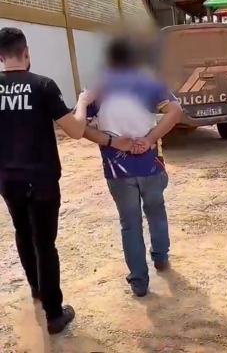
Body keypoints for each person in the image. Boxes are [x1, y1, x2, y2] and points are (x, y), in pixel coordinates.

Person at [0, 27, 93, 334]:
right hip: (41, 180)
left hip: (8, 179)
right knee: (44, 243)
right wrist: (83, 101)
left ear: (0, 57)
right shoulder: (43, 85)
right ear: (26, 52)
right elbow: (75, 130)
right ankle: (54, 314)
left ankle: (37, 290)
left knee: (23, 234)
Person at [82, 36, 182, 297]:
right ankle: (161, 258)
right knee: (156, 212)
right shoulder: (150, 84)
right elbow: (175, 111)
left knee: (130, 224)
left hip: (117, 169)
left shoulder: (98, 89)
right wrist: (149, 139)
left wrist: (113, 142)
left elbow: (81, 126)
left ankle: (139, 282)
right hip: (150, 164)